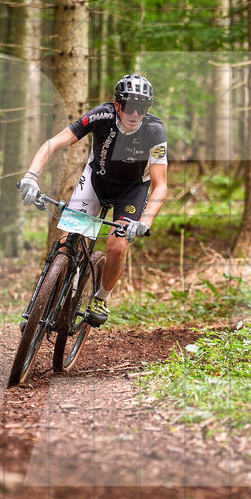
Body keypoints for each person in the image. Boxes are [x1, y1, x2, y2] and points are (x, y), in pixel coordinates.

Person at [18, 73, 168, 327]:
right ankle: (45, 302)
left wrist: (145, 221)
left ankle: (101, 297)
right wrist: (31, 176)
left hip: (131, 191)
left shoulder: (154, 130)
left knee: (117, 246)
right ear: (117, 103)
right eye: (130, 106)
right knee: (69, 241)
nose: (135, 114)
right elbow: (53, 143)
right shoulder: (101, 115)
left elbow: (161, 184)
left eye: (142, 108)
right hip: (97, 181)